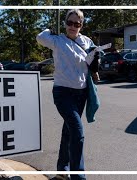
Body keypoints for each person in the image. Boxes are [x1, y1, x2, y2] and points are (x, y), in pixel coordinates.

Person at [37, 9, 99, 180]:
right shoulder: (57, 40)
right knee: (77, 132)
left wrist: (96, 61)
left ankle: (62, 171)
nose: (72, 26)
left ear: (81, 25)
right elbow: (40, 38)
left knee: (68, 132)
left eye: (76, 24)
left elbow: (93, 59)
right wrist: (50, 30)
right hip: (62, 93)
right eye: (69, 23)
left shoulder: (87, 41)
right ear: (65, 24)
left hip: (81, 94)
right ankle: (78, 176)